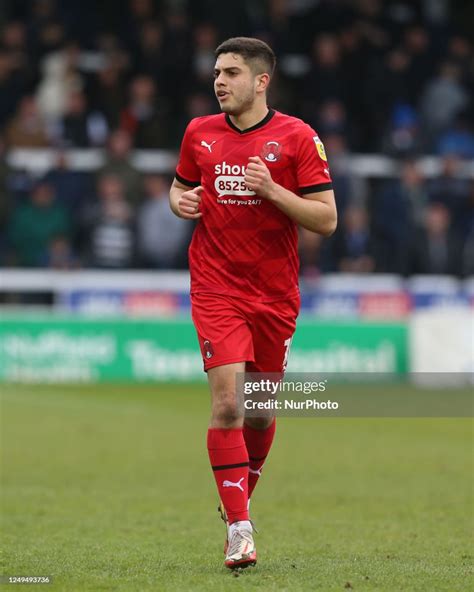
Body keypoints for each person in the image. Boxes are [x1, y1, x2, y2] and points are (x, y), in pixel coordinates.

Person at [169, 37, 337, 569]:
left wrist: (274, 192)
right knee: (228, 405)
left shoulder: (297, 138)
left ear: (261, 82)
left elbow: (326, 219)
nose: (219, 81)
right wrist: (183, 202)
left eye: (232, 73)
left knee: (261, 412)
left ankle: (237, 500)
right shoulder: (199, 133)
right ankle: (240, 527)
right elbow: (178, 190)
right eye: (217, 72)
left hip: (275, 294)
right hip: (216, 287)